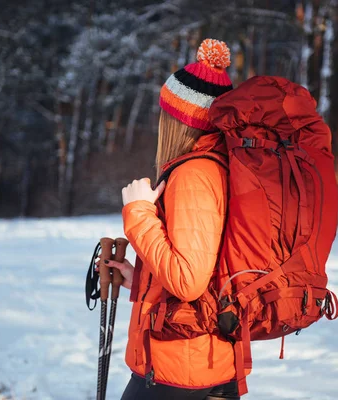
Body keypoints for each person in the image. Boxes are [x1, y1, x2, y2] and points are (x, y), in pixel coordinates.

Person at [107, 38, 241, 400]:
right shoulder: (218, 166)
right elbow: (207, 269)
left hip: (178, 372)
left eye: (166, 111)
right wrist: (140, 279)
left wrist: (138, 214)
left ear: (181, 119)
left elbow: (189, 282)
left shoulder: (194, 175)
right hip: (203, 361)